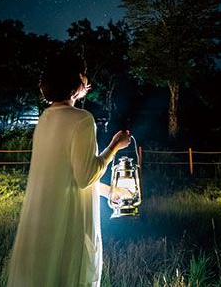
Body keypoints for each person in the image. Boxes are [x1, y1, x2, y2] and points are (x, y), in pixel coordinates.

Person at [7, 52, 131, 286]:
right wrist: (115, 145)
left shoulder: (46, 118)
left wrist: (108, 191)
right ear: (75, 80)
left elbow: (64, 173)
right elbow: (85, 177)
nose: (86, 79)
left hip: (42, 224)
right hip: (68, 225)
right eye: (83, 74)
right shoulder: (82, 120)